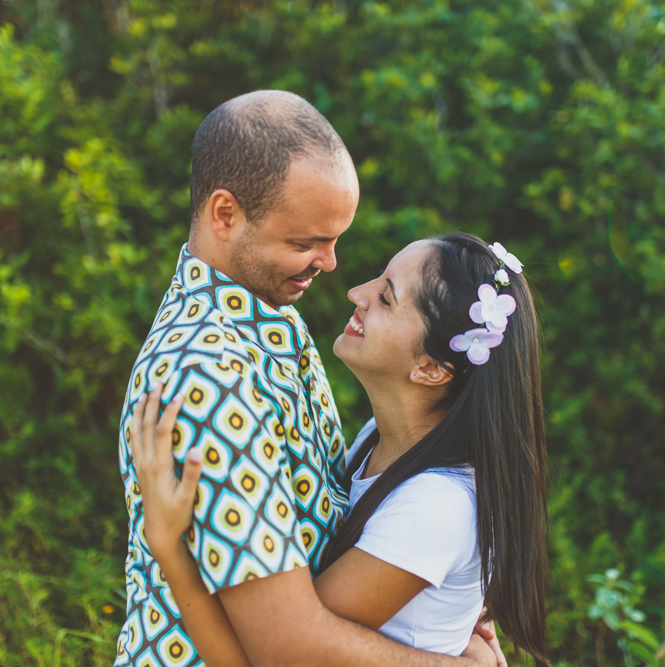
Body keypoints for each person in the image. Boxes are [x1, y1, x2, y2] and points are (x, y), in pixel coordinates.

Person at [115, 90, 501, 667]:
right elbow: (283, 649)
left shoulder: (272, 320)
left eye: (335, 239)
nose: (333, 266)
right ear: (226, 215)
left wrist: (442, 601)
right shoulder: (212, 378)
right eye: (305, 242)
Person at [131, 233, 549, 665]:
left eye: (386, 298)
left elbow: (278, 657)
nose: (357, 293)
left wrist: (167, 545)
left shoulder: (436, 505)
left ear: (429, 369)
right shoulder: (380, 439)